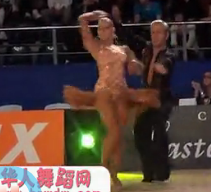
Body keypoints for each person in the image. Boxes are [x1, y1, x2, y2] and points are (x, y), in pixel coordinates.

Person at [63, 10, 161, 190]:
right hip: (103, 93)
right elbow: (82, 23)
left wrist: (134, 65)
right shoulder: (96, 47)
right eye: (100, 29)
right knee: (114, 131)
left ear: (113, 30)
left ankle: (113, 175)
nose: (103, 31)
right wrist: (94, 16)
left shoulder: (124, 49)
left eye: (107, 28)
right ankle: (101, 169)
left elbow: (137, 66)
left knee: (119, 138)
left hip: (121, 93)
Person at [134, 20, 175, 183]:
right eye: (152, 32)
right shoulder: (146, 51)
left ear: (166, 35)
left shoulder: (169, 54)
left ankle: (162, 171)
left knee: (159, 134)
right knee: (139, 131)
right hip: (146, 98)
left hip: (161, 99)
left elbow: (166, 67)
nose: (155, 35)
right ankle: (148, 171)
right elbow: (141, 69)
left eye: (159, 32)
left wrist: (161, 68)